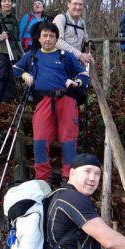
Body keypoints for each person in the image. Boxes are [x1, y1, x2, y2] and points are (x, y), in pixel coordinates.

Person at [13, 22, 89, 183]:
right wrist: (25, 75)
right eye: (45, 36)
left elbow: (83, 73)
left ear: (56, 38)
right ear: (39, 39)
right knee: (40, 139)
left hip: (66, 100)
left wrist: (78, 83)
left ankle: (68, 176)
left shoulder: (65, 55)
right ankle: (42, 178)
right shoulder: (32, 56)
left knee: (68, 140)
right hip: (43, 101)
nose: (48, 39)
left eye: (51, 36)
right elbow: (15, 68)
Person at [0, 0, 23, 104]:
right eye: (4, 1)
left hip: (14, 51)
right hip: (2, 50)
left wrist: (22, 53)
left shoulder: (14, 18)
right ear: (0, 3)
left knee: (12, 75)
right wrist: (0, 36)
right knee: (1, 73)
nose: (7, 3)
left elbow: (17, 38)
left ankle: (5, 101)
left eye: (9, 1)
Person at [53, 0, 94, 66]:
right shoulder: (60, 19)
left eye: (80, 4)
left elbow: (86, 41)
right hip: (60, 62)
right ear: (68, 4)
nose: (78, 7)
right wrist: (80, 55)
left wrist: (88, 55)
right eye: (75, 4)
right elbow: (57, 42)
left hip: (76, 64)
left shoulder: (82, 22)